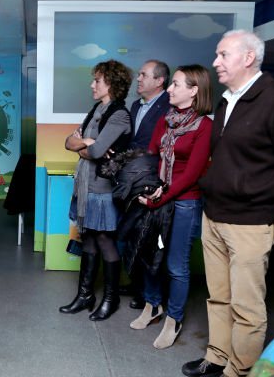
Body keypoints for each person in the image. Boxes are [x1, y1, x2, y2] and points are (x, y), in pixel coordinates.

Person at [183, 30, 274, 377]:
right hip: (215, 214)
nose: (215, 63)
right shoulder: (226, 99)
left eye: (222, 55)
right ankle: (217, 358)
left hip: (251, 220)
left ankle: (240, 370)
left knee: (247, 308)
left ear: (249, 57)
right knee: (218, 296)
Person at [129, 65, 212, 349]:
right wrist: (148, 188)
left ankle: (174, 318)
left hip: (185, 203)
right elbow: (152, 156)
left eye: (175, 85)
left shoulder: (204, 126)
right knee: (151, 257)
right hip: (159, 197)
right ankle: (153, 306)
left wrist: (159, 198)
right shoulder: (165, 120)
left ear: (194, 90)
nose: (169, 90)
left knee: (176, 266)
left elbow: (192, 175)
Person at [59, 59, 133, 321]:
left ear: (111, 84)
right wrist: (86, 142)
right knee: (88, 237)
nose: (92, 84)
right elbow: (68, 141)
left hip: (102, 188)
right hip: (85, 185)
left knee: (105, 240)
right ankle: (85, 295)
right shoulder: (96, 109)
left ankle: (110, 300)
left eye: (97, 80)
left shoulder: (120, 114)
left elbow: (97, 151)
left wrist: (87, 144)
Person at [120, 59, 171, 310]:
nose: (138, 79)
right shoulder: (134, 105)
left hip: (152, 183)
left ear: (159, 81)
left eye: (143, 75)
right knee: (131, 235)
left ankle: (147, 293)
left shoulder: (170, 106)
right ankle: (136, 284)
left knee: (146, 237)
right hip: (131, 179)